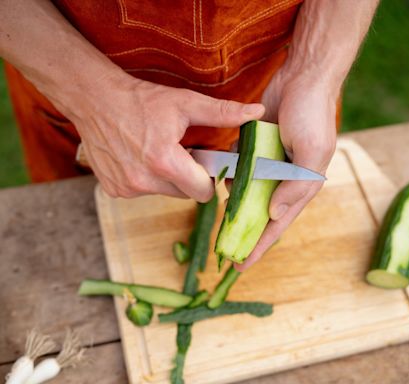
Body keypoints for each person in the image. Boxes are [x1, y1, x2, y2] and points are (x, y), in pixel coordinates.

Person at [0, 0, 379, 270]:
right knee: (71, 245)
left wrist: (316, 66)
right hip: (74, 77)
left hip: (274, 83)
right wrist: (90, 96)